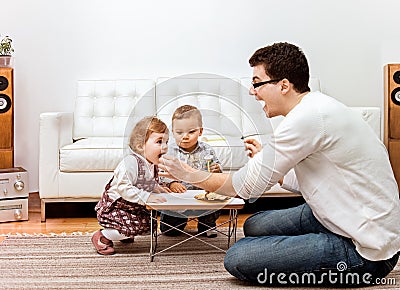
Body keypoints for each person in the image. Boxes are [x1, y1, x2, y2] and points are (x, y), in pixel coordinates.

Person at [159, 42, 400, 286]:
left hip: (367, 251)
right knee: (253, 225)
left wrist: (189, 174)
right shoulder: (316, 106)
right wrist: (268, 162)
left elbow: (246, 188)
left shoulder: (307, 118)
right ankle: (316, 239)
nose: (253, 92)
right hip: (343, 214)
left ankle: (329, 248)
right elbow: (311, 178)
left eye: (257, 83)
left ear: (284, 85)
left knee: (238, 257)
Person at [92, 116, 170, 255]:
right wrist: (147, 197)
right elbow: (124, 188)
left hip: (133, 206)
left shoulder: (151, 163)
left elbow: (148, 182)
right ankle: (103, 236)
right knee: (136, 227)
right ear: (140, 146)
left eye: (166, 142)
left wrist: (158, 189)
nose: (165, 147)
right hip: (116, 206)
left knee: (149, 226)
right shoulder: (131, 163)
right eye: (159, 142)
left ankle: (124, 232)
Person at [160, 105, 222, 238]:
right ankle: (173, 222)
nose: (185, 137)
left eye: (191, 132)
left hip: (202, 198)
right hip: (178, 200)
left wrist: (217, 171)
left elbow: (216, 170)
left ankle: (207, 225)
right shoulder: (168, 151)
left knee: (213, 202)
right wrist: (171, 183)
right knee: (169, 231)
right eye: (179, 132)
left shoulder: (207, 150)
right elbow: (161, 173)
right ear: (173, 132)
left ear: (200, 131)